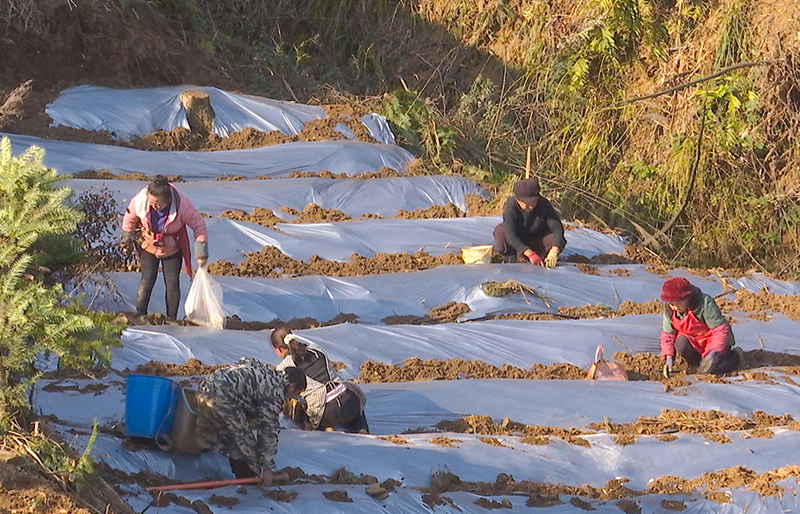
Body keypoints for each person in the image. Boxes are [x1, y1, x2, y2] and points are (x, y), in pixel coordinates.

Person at [195, 358, 306, 483]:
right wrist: (267, 468)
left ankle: (204, 468)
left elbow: (245, 360)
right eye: (296, 393)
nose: (293, 398)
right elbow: (268, 430)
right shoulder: (275, 392)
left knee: (223, 433)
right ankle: (248, 481)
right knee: (244, 445)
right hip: (221, 395)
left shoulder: (268, 373)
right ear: (291, 386)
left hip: (206, 386)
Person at [121, 175, 208, 319]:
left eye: (157, 204)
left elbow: (199, 226)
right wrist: (126, 241)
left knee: (172, 283)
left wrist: (201, 252)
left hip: (172, 247)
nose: (153, 206)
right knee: (147, 279)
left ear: (167, 201)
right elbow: (129, 220)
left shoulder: (182, 206)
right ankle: (140, 315)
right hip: (148, 245)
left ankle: (171, 319)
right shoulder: (139, 201)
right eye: (151, 202)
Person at [270, 327, 369, 434]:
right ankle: (361, 428)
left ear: (278, 350)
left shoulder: (285, 366)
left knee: (298, 408)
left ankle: (324, 427)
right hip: (350, 399)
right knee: (353, 400)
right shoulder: (315, 348)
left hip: (326, 411)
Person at [660, 277, 743, 378]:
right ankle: (696, 364)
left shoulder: (704, 303)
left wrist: (713, 353)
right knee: (681, 343)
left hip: (713, 340)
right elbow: (668, 334)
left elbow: (720, 330)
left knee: (712, 371)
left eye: (679, 303)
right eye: (672, 304)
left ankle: (736, 356)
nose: (675, 308)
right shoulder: (669, 310)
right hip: (694, 341)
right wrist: (669, 357)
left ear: (687, 298)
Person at [493, 177, 566, 268]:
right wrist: (529, 253)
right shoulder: (510, 207)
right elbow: (510, 234)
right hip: (519, 239)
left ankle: (543, 257)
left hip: (538, 239)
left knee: (558, 239)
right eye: (526, 204)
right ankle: (509, 258)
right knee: (501, 231)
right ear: (518, 200)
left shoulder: (544, 204)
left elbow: (557, 228)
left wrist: (554, 250)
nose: (531, 206)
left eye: (533, 202)